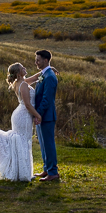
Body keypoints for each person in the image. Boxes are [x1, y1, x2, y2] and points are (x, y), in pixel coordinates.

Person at [0, 62, 43, 182]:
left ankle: (21, 171)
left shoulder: (18, 83)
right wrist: (38, 115)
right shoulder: (23, 85)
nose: (25, 68)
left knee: (21, 141)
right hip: (23, 115)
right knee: (23, 142)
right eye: (22, 68)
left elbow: (36, 77)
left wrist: (48, 69)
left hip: (19, 115)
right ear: (18, 73)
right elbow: (27, 105)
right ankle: (22, 173)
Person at [32, 49, 60, 181]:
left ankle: (53, 172)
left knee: (48, 144)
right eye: (36, 59)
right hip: (42, 115)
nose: (36, 62)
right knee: (43, 144)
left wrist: (38, 114)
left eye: (38, 60)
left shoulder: (49, 76)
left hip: (46, 116)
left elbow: (46, 99)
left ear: (46, 60)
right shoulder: (45, 73)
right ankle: (46, 169)